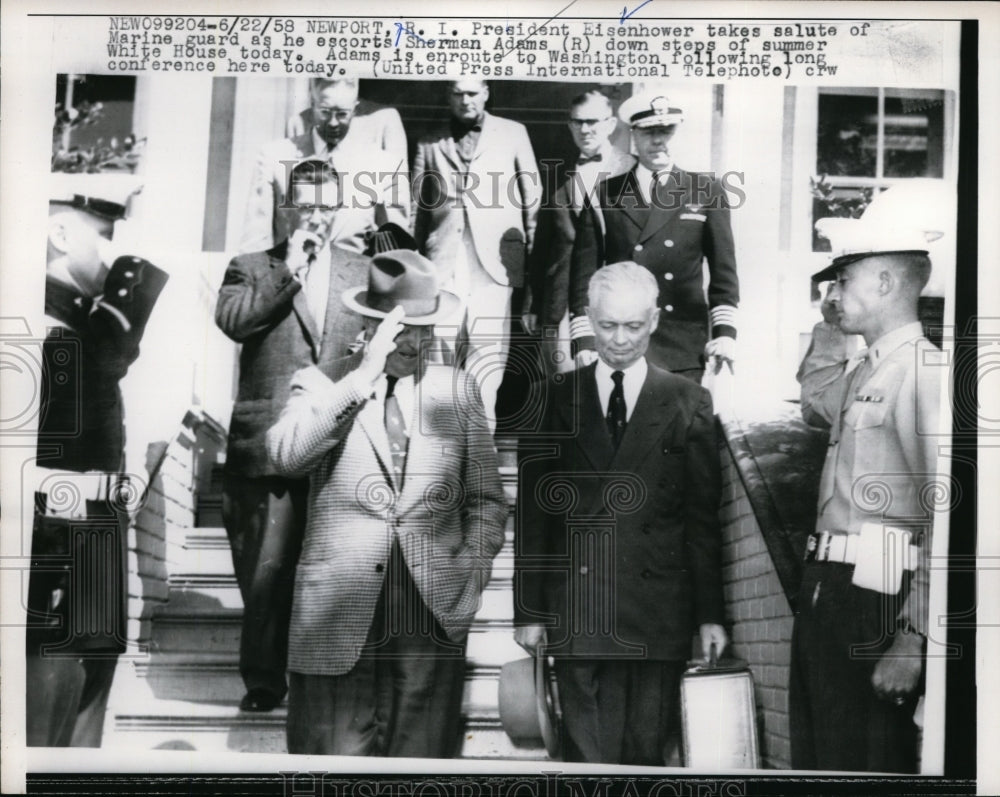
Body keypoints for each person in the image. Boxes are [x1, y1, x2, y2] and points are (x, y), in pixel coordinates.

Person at [266, 250, 508, 757]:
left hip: (430, 608)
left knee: (420, 767)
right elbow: (286, 456)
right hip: (337, 610)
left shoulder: (459, 392)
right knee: (328, 764)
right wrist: (361, 380)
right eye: (400, 329)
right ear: (370, 324)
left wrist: (472, 570)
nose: (414, 342)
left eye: (425, 328)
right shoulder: (321, 382)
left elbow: (487, 499)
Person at [513, 261, 727, 765]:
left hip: (658, 616)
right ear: (588, 318)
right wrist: (529, 612)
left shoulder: (688, 401)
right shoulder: (550, 400)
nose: (621, 340)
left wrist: (710, 616)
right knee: (588, 762)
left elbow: (701, 521)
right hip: (579, 612)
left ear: (654, 321)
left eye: (634, 326)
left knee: (645, 756)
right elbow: (533, 518)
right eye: (608, 325)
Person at [216, 159, 406, 712]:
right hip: (269, 441)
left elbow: (388, 347)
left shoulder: (365, 270)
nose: (316, 215)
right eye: (305, 204)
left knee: (334, 568)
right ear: (287, 206)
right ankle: (264, 682)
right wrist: (289, 269)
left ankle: (322, 678)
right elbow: (236, 323)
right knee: (267, 569)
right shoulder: (251, 267)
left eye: (326, 204)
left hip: (340, 441)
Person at [791, 211, 945, 772]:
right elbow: (815, 402)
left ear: (884, 283)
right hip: (830, 588)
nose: (833, 293)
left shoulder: (924, 372)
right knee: (823, 755)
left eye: (843, 280)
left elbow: (950, 517)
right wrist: (832, 328)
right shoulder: (866, 371)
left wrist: (912, 635)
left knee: (867, 759)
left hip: (881, 597)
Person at [29, 177, 168, 746]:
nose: (115, 254)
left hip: (90, 551)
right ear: (59, 232)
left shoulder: (85, 330)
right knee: (43, 721)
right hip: (51, 554)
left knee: (85, 709)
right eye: (105, 235)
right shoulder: (37, 330)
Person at [568, 91, 739, 383]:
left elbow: (724, 275)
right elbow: (584, 274)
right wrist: (584, 339)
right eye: (649, 132)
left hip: (683, 345)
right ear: (634, 135)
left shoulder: (706, 191)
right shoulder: (604, 194)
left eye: (666, 131)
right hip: (620, 339)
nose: (658, 140)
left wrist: (725, 335)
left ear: (677, 133)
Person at [412, 79, 540, 429]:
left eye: (472, 92)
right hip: (443, 260)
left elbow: (533, 200)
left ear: (486, 92)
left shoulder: (513, 133)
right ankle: (436, 447)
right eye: (457, 93)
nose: (465, 100)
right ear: (448, 95)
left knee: (488, 355)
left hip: (496, 261)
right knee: (439, 349)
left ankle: (480, 450)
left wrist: (530, 261)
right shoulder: (429, 140)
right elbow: (417, 209)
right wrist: (416, 263)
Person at [522, 90, 635, 375]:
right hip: (560, 302)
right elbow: (543, 244)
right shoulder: (556, 174)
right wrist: (533, 304)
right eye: (578, 122)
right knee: (564, 390)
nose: (585, 129)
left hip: (617, 301)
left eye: (593, 121)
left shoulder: (634, 170)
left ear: (610, 124)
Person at [240, 78, 408, 254]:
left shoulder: (384, 165)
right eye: (325, 112)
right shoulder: (273, 158)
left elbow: (396, 252)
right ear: (312, 105)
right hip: (287, 278)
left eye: (342, 114)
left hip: (354, 278)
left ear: (355, 109)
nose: (333, 123)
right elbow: (254, 244)